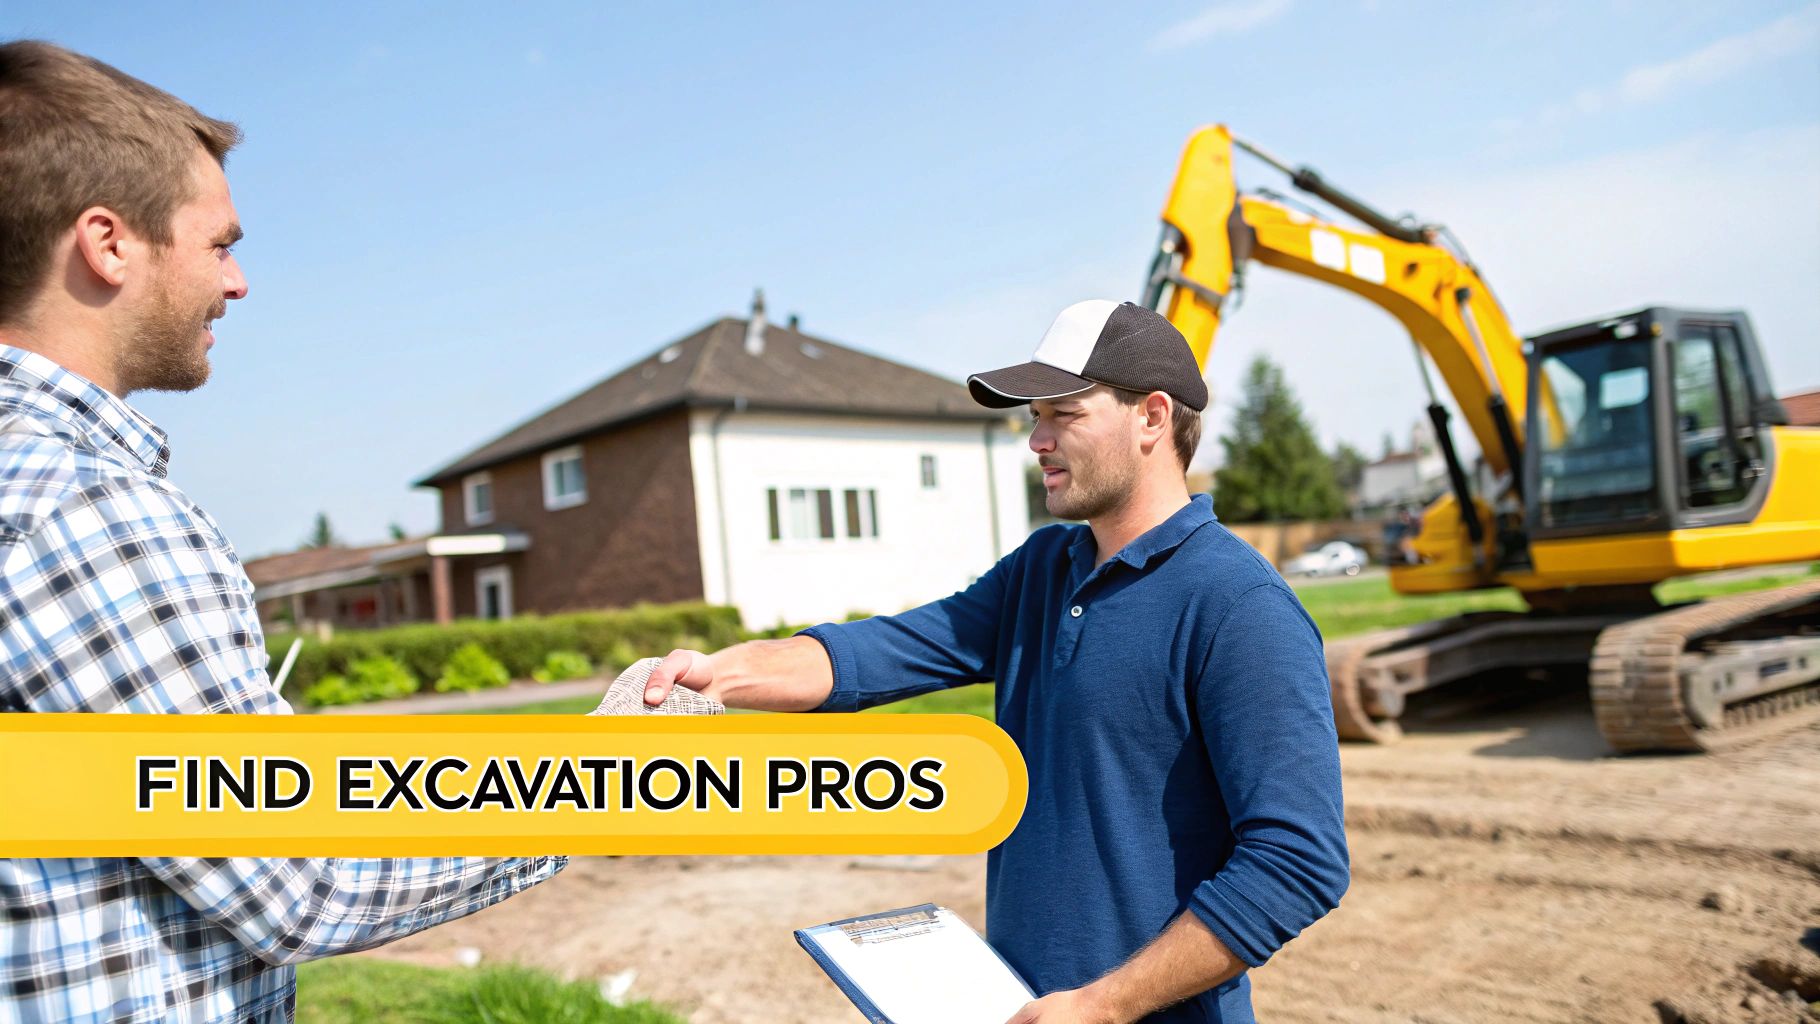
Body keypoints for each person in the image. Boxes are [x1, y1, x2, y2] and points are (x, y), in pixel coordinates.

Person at [0, 41, 563, 1023]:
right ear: (109, 243)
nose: (240, 283)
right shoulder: (90, 511)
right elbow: (304, 881)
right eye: (219, 244)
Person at [643, 298, 1350, 1023]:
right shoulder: (1046, 569)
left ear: (1152, 418)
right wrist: (717, 675)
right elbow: (886, 649)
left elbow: (1298, 861)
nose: (1037, 440)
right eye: (1034, 417)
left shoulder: (1239, 604)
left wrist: (1103, 1006)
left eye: (1063, 414)